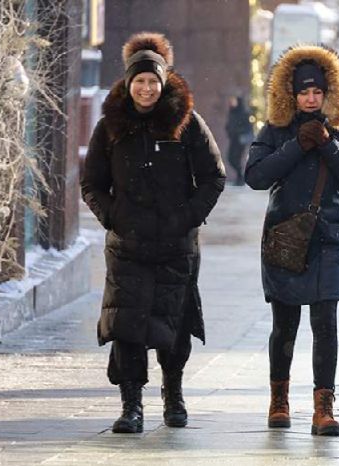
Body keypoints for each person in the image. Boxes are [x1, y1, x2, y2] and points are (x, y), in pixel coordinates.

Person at [80, 32, 226, 433]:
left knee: (173, 325)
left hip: (176, 245)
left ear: (164, 83)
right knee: (126, 326)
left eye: (153, 81)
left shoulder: (186, 122)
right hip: (127, 244)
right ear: (129, 84)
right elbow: (91, 182)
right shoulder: (111, 126)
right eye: (140, 81)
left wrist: (187, 217)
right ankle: (131, 406)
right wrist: (113, 216)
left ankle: (173, 395)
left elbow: (214, 176)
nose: (147, 88)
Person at [244, 44, 339, 436]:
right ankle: (279, 400)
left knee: (325, 324)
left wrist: (329, 144)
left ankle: (323, 407)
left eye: (317, 92)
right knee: (284, 325)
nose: (311, 99)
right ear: (292, 94)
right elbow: (256, 176)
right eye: (304, 92)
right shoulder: (276, 130)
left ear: (329, 93)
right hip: (285, 239)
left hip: (328, 240)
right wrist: (297, 145)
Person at [225, 96, 253, 186]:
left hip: (240, 140)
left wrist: (238, 131)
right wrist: (228, 130)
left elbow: (247, 126)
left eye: (234, 101)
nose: (232, 103)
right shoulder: (232, 112)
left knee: (236, 158)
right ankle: (239, 177)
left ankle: (240, 179)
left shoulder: (243, 113)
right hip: (233, 139)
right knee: (230, 158)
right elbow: (229, 124)